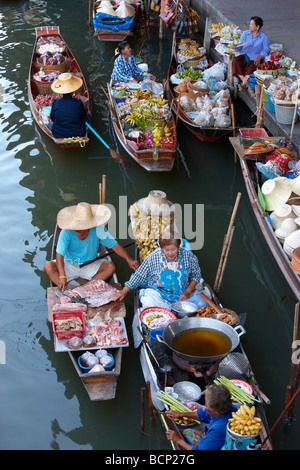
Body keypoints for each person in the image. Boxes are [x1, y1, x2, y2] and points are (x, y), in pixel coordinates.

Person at [44, 202, 139, 291]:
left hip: (90, 264)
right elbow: (59, 254)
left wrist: (129, 259)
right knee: (48, 266)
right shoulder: (66, 232)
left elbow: (115, 246)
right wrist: (62, 276)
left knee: (111, 267)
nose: (77, 228)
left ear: (89, 225)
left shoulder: (99, 230)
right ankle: (67, 290)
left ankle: (86, 289)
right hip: (69, 264)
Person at [113, 230, 201, 309]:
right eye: (167, 250)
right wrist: (124, 291)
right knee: (148, 303)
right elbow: (139, 275)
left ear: (178, 247)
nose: (170, 253)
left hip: (182, 295)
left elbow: (196, 276)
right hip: (159, 295)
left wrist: (188, 292)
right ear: (162, 248)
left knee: (201, 304)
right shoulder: (154, 257)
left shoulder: (189, 257)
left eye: (173, 249)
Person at [165, 384, 236, 450]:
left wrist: (178, 440)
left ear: (216, 411)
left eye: (206, 404)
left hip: (215, 445)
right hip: (212, 439)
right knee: (187, 431)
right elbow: (204, 415)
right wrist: (180, 414)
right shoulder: (227, 407)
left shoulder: (218, 430)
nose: (205, 406)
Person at [232, 16, 270, 90]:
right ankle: (245, 83)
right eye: (250, 24)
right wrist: (235, 46)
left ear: (257, 27)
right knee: (235, 61)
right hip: (244, 55)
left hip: (254, 58)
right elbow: (240, 45)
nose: (249, 26)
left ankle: (243, 84)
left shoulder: (264, 37)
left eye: (252, 25)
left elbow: (266, 50)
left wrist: (260, 56)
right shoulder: (245, 33)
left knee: (251, 69)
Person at [49, 73, 90, 138]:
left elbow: (52, 118)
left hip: (58, 133)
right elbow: (83, 117)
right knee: (87, 116)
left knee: (50, 123)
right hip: (77, 133)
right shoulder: (78, 103)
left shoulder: (55, 102)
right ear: (73, 91)